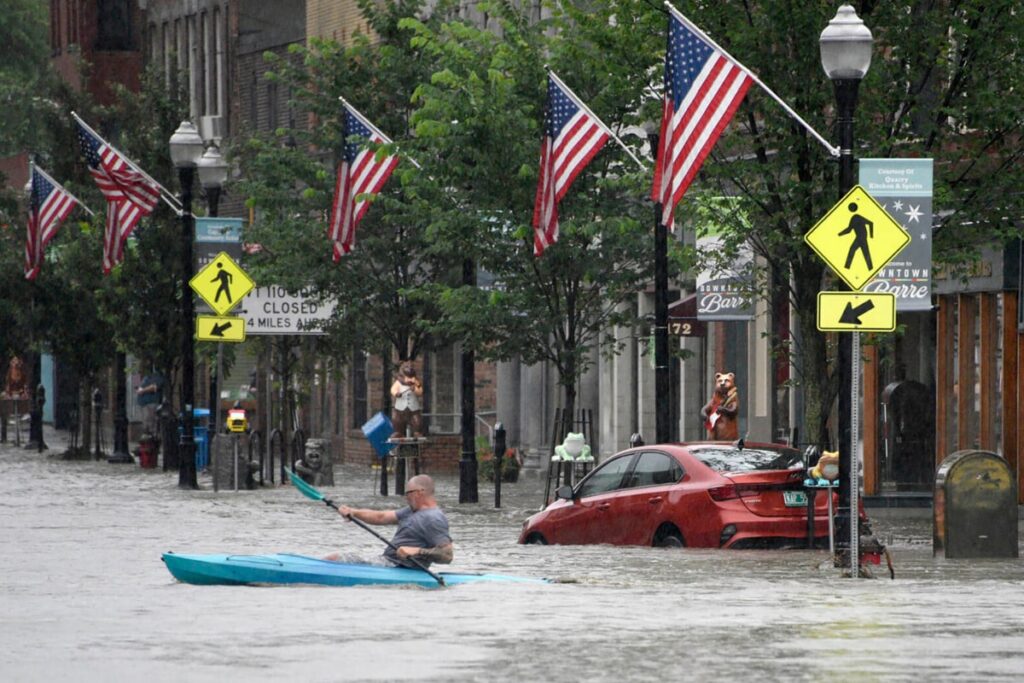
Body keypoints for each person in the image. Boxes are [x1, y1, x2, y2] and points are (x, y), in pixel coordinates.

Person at [326, 474, 454, 568]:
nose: (406, 497)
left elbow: (447, 555)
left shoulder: (434, 518)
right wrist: (354, 512)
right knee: (335, 558)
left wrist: (416, 551)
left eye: (408, 493)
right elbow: (380, 517)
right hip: (387, 562)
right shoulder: (411, 510)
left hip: (399, 567)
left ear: (419, 493)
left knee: (334, 559)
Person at [136, 367, 165, 437]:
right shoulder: (147, 377)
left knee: (151, 422)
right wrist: (139, 389)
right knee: (145, 423)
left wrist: (142, 391)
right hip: (143, 404)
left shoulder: (158, 376)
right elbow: (139, 386)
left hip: (152, 403)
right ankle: (146, 438)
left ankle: (152, 438)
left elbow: (154, 387)